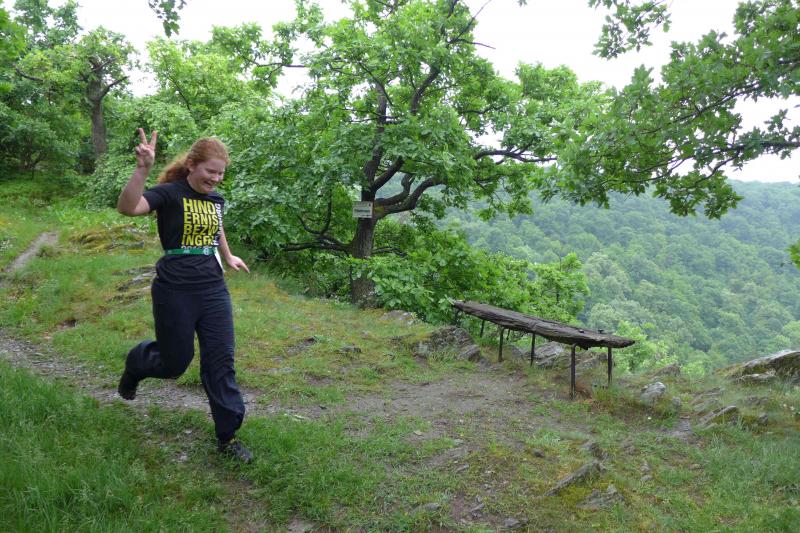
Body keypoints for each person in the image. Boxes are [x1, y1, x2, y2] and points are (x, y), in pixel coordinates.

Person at [116, 128, 253, 463]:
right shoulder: (169, 194)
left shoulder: (215, 199)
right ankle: (137, 363)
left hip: (213, 288)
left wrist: (228, 254)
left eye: (221, 174)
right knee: (174, 363)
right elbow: (128, 208)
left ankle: (228, 436)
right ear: (192, 165)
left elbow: (216, 225)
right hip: (174, 289)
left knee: (220, 360)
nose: (216, 179)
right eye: (211, 171)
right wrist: (142, 170)